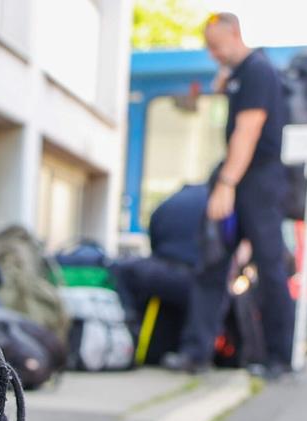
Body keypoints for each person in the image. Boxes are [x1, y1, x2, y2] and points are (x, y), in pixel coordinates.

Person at [170, 11, 294, 378]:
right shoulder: (241, 74)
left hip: (258, 178)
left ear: (235, 34)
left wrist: (226, 183)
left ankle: (278, 358)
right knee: (210, 262)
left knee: (270, 266)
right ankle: (196, 353)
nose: (213, 54)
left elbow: (249, 131)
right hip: (239, 175)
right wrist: (224, 80)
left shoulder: (258, 70)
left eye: (216, 46)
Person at [114, 182, 205, 366]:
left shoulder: (168, 203)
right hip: (197, 279)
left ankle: (127, 329)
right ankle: (194, 354)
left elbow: (154, 238)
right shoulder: (218, 199)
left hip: (159, 272)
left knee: (120, 269)